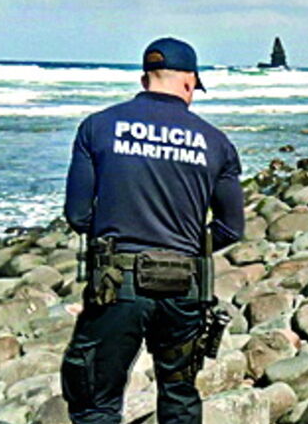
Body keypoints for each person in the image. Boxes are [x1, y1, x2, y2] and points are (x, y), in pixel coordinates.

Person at [60, 37, 244, 424]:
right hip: (184, 288)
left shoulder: (97, 127)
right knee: (179, 396)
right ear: (190, 82)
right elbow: (231, 227)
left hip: (116, 286)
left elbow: (77, 214)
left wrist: (117, 240)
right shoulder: (216, 143)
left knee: (95, 401)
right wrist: (189, 248)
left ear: (146, 80)